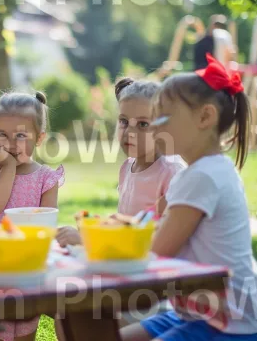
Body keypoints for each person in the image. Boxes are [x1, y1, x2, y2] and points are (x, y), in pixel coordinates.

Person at [120, 53, 257, 341]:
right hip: (201, 314)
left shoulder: (203, 177)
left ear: (205, 117)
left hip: (236, 324)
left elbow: (157, 251)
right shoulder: (194, 173)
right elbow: (154, 227)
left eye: (163, 117)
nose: (153, 127)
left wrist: (97, 249)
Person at [56, 78, 185, 248]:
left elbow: (163, 238)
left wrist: (89, 240)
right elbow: (126, 226)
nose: (130, 132)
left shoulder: (171, 172)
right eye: (124, 121)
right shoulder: (127, 167)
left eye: (143, 124)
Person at [0, 91, 64, 341]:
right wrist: (7, 167)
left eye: (20, 136)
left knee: (25, 329)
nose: (10, 144)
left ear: (39, 139)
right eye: (1, 135)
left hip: (30, 265)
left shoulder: (46, 178)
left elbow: (47, 222)